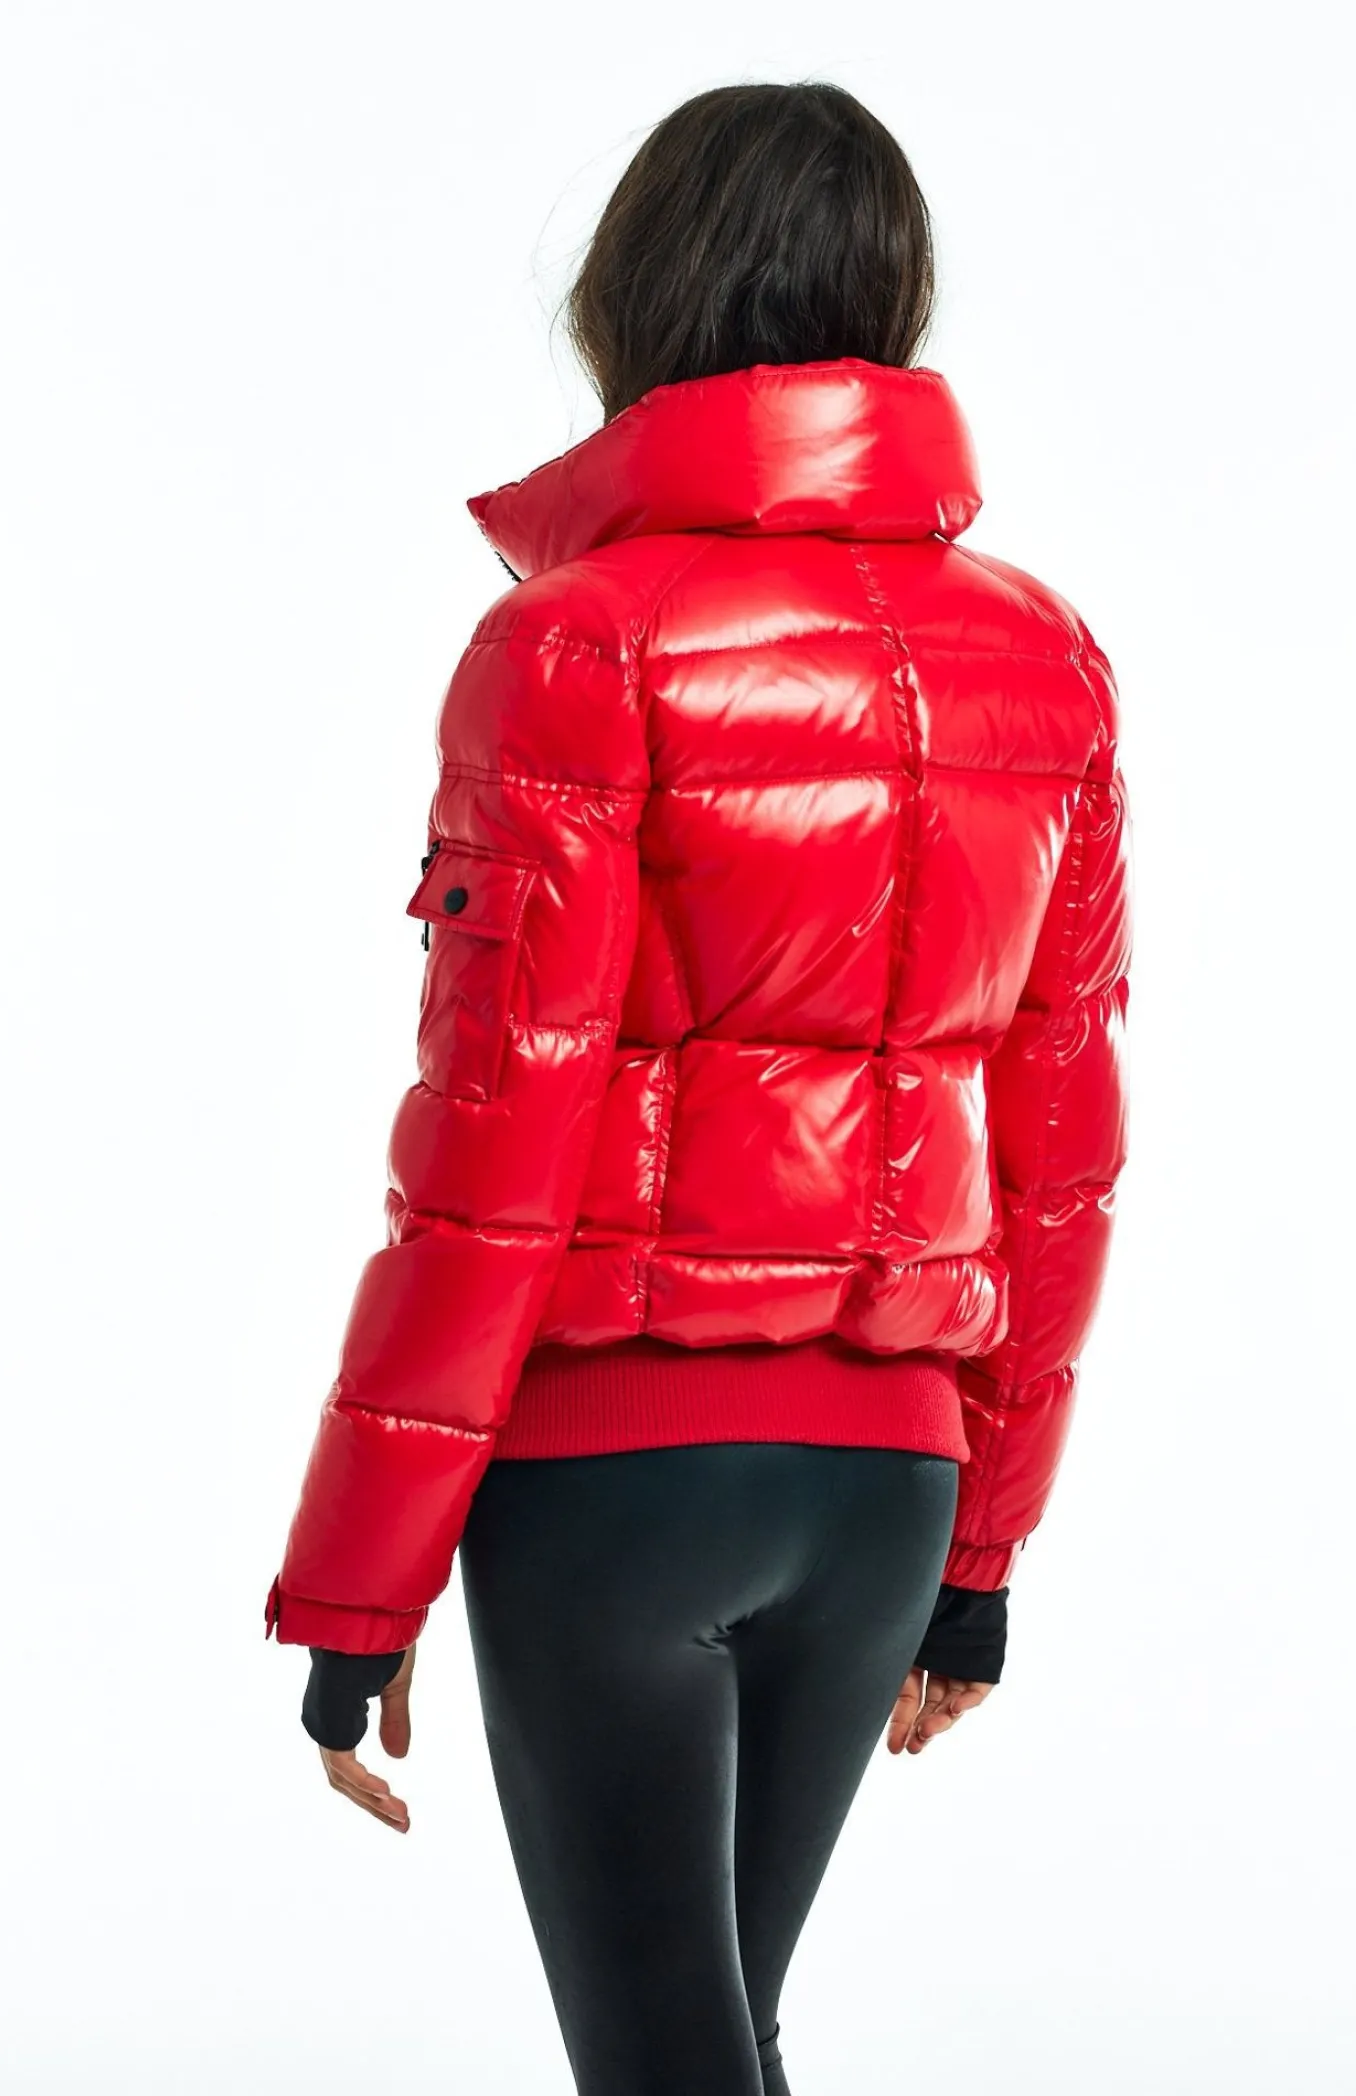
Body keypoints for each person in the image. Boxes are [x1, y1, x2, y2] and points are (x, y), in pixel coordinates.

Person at [264, 78, 1131, 2095]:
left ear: (635, 293)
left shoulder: (576, 644)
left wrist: (361, 1583)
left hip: (620, 1480)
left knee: (670, 2063)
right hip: (884, 1489)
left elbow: (492, 1147)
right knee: (718, 2044)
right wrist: (979, 1553)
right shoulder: (1045, 660)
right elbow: (1063, 1143)